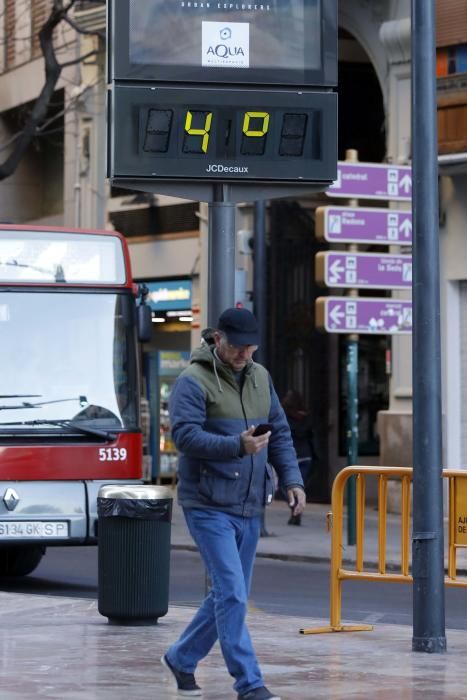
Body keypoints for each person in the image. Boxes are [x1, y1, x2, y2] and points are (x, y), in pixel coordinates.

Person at [161, 307, 306, 700]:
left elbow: (280, 434)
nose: (245, 355)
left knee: (227, 594)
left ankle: (181, 657)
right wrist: (235, 446)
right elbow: (185, 437)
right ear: (218, 339)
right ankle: (250, 683)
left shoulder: (261, 377)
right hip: (207, 504)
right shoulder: (193, 381)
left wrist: (292, 479)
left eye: (251, 347)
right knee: (233, 594)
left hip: (249, 504)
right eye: (238, 347)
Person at [280, 389, 315, 526]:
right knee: (297, 486)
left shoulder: (284, 418)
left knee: (285, 486)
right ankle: (296, 510)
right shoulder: (305, 417)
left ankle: (295, 509)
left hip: (293, 456)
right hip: (305, 456)